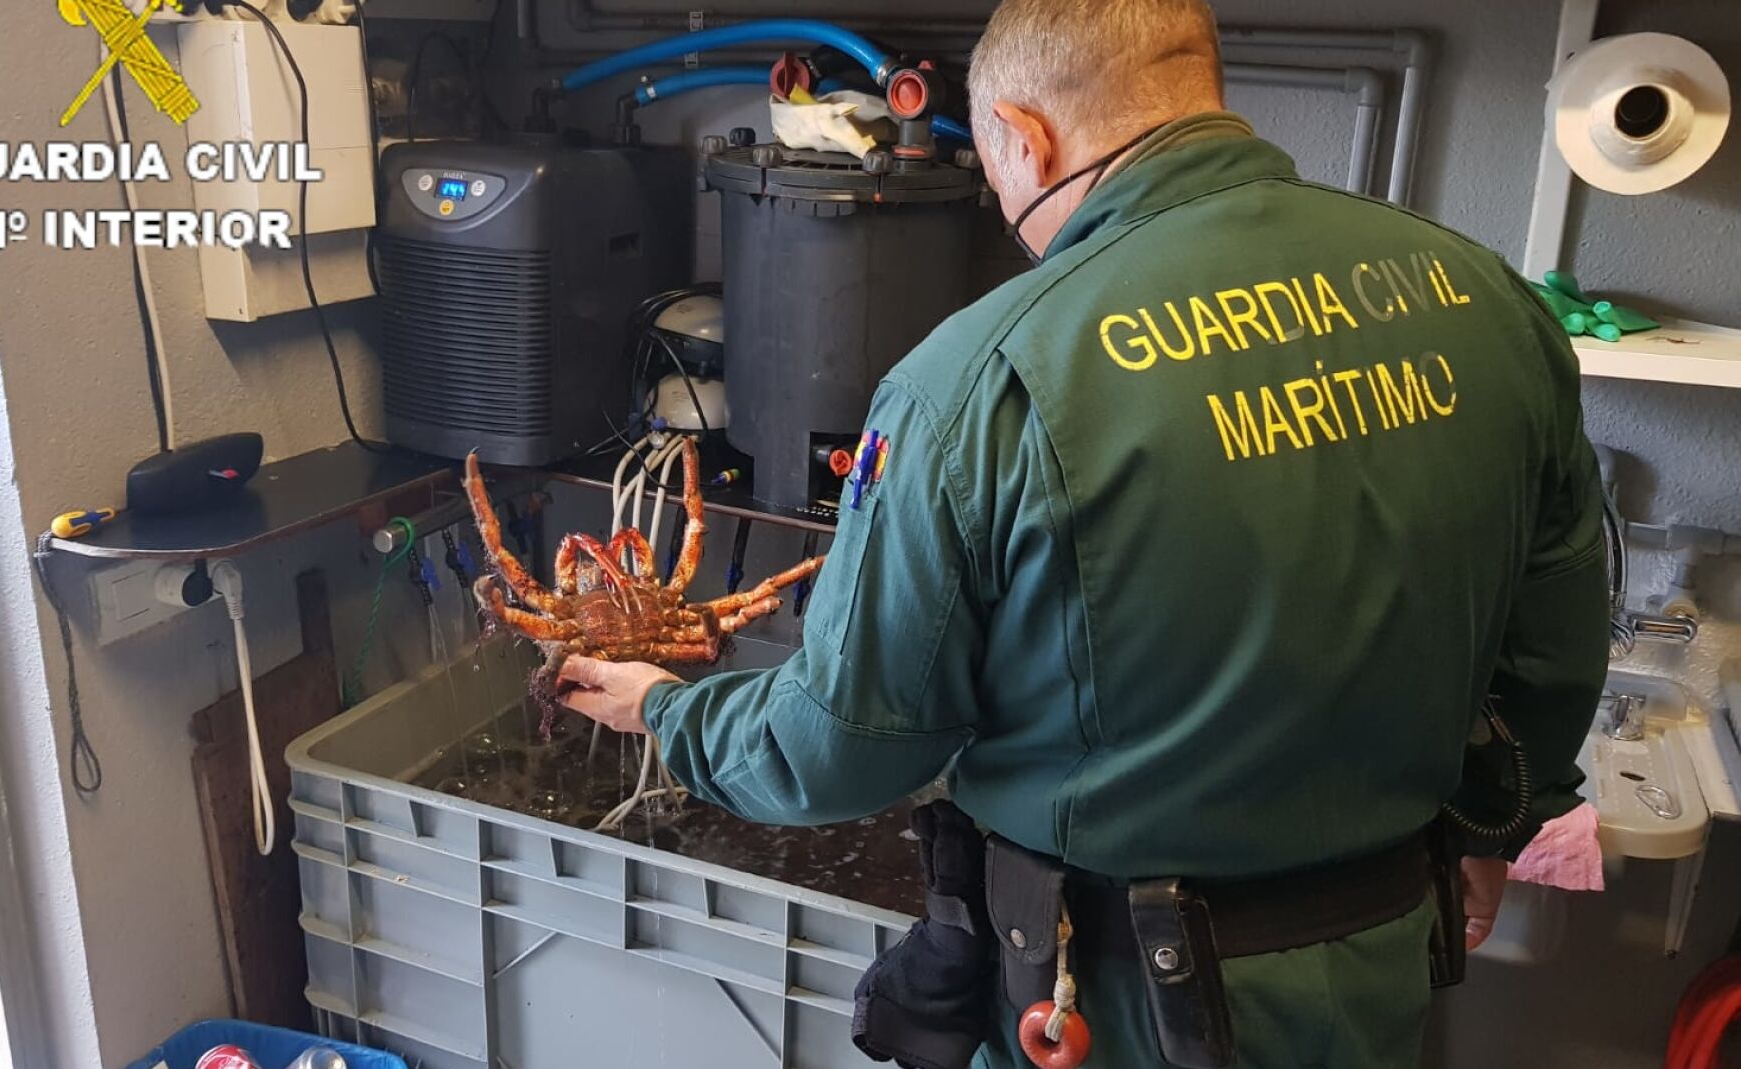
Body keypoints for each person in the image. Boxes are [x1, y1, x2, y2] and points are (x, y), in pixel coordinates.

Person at [557, 0, 1609, 1065]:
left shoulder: (979, 376)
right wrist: (1491, 825)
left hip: (1122, 1002)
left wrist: (671, 711)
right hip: (1382, 959)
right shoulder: (1485, 299)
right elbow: (1552, 644)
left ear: (1025, 138)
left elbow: (842, 746)